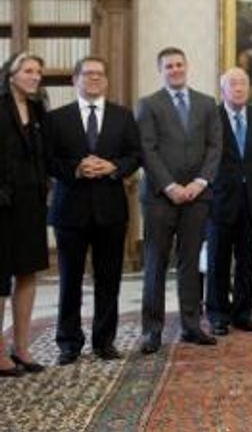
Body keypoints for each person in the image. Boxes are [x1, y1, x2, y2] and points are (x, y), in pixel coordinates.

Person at [45, 56, 141, 365]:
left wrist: (114, 166)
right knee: (70, 280)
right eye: (88, 74)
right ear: (75, 80)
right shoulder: (56, 118)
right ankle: (69, 342)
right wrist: (76, 168)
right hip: (70, 211)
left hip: (110, 210)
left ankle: (104, 341)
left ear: (107, 80)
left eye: (100, 74)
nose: (95, 79)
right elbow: (47, 161)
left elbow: (135, 155)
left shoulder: (123, 117)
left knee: (109, 279)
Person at [137, 46, 222, 354]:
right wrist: (171, 186)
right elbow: (147, 149)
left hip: (197, 197)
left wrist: (199, 183)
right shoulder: (148, 105)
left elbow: (215, 147)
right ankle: (152, 330)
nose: (175, 70)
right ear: (160, 70)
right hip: (160, 198)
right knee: (155, 264)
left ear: (187, 66)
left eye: (179, 65)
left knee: (190, 264)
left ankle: (191, 326)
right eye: (168, 66)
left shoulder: (207, 103)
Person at [205, 67, 252, 335]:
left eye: (243, 84)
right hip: (219, 201)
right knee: (218, 262)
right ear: (223, 89)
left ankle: (242, 313)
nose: (239, 88)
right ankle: (217, 315)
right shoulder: (211, 118)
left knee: (246, 262)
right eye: (233, 84)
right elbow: (203, 160)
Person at [0, 52, 48, 376]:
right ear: (11, 74)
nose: (34, 77)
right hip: (1, 202)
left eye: (38, 72)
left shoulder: (38, 109)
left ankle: (22, 347)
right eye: (28, 71)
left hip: (31, 201)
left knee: (28, 273)